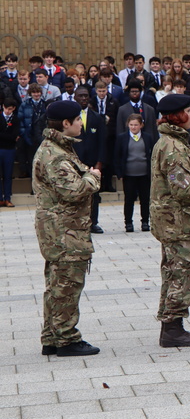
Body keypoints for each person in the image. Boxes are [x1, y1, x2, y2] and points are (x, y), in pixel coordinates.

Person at [33, 100, 102, 356]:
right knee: (67, 284)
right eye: (77, 120)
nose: (80, 124)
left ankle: (51, 336)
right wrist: (93, 176)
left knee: (57, 284)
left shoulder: (59, 148)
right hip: (64, 232)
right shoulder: (55, 154)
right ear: (65, 124)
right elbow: (73, 190)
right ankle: (67, 338)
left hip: (61, 229)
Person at [150, 94, 190, 347]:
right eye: (189, 110)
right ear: (177, 116)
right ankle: (173, 328)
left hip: (175, 222)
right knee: (182, 275)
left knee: (173, 272)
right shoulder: (173, 147)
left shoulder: (171, 142)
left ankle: (171, 325)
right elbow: (182, 189)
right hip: (179, 223)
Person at [72, 87, 106, 234]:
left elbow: (103, 142)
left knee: (93, 194)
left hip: (92, 163)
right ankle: (76, 222)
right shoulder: (70, 119)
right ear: (75, 98)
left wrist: (100, 162)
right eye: (81, 96)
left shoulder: (97, 117)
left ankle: (93, 222)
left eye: (86, 96)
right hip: (74, 162)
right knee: (75, 193)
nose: (84, 98)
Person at [114, 113, 156, 232]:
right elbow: (117, 155)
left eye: (136, 125)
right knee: (129, 199)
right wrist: (119, 172)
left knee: (145, 199)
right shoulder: (122, 137)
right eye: (131, 125)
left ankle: (145, 222)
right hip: (129, 173)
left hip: (144, 173)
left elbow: (152, 154)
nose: (133, 127)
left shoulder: (147, 137)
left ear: (141, 125)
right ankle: (128, 222)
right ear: (128, 125)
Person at [0, 99, 18, 206]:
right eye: (6, 108)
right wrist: (9, 137)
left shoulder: (15, 119)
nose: (7, 111)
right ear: (3, 107)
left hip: (10, 150)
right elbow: (11, 136)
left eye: (10, 109)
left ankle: (7, 198)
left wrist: (5, 136)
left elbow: (14, 135)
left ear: (13, 109)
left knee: (8, 175)